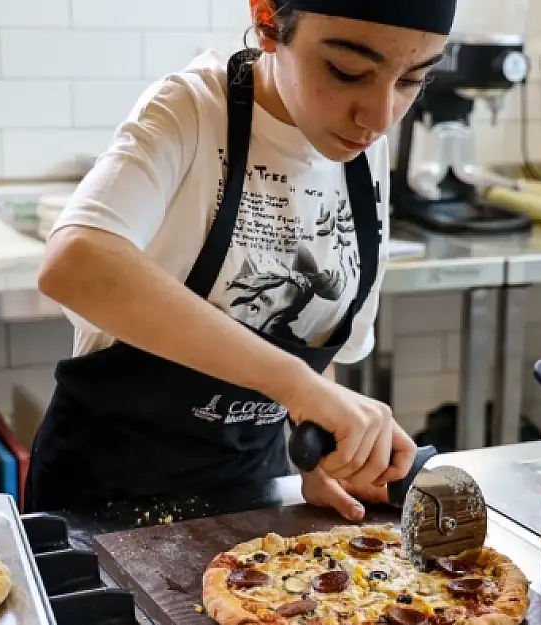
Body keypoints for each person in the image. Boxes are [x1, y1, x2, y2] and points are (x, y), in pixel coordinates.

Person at [25, 0, 457, 520]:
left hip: (253, 499)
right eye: (347, 72)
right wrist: (298, 385)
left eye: (413, 80)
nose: (380, 117)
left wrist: (323, 454)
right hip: (102, 504)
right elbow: (77, 261)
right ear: (268, 20)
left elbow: (316, 341)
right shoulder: (191, 110)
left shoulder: (362, 152)